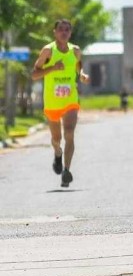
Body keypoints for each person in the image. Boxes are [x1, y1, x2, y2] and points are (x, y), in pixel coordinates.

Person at [31, 19, 90, 188]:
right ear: (55, 32)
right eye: (61, 29)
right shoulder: (48, 51)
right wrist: (53, 68)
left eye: (67, 30)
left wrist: (83, 75)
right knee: (56, 139)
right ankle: (57, 153)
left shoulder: (76, 51)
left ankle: (66, 171)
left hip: (70, 98)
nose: (64, 32)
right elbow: (34, 74)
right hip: (52, 101)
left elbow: (78, 67)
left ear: (70, 33)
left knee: (69, 133)